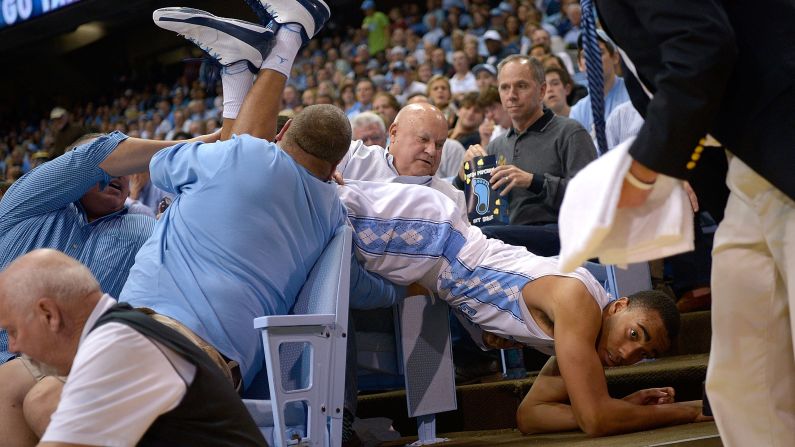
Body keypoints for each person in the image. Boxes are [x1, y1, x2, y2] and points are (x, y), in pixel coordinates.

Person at [120, 1, 400, 397]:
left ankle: (288, 36)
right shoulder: (334, 216)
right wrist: (409, 290)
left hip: (155, 339)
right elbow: (361, 289)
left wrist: (230, 151)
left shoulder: (251, 155)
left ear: (282, 133)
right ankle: (239, 68)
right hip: (226, 371)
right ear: (336, 163)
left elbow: (161, 165)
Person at [336, 179, 710, 436]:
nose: (628, 353)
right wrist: (688, 410)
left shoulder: (579, 336)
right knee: (313, 199)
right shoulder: (580, 306)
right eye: (634, 334)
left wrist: (623, 407)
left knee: (311, 213)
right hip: (434, 240)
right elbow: (596, 420)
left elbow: (531, 416)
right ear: (619, 306)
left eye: (644, 353)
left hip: (430, 262)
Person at [596, 1, 795, 444]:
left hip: (780, 135)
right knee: (741, 375)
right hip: (751, 164)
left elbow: (700, 45)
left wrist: (647, 166)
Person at [0, 250, 267, 446]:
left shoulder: (117, 346)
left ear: (49, 314)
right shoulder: (119, 336)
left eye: (13, 331)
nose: (13, 346)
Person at [455, 55, 596, 256]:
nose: (511, 95)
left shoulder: (570, 132)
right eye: (505, 88)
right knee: (469, 235)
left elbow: (590, 196)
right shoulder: (496, 145)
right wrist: (462, 178)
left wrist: (533, 181)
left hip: (562, 232)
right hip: (509, 235)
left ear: (542, 91)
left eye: (521, 86)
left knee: (486, 238)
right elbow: (478, 212)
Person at [568, 29, 630, 142]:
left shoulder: (634, 92)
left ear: (615, 57)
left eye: (599, 52)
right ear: (580, 65)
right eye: (585, 55)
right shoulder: (578, 111)